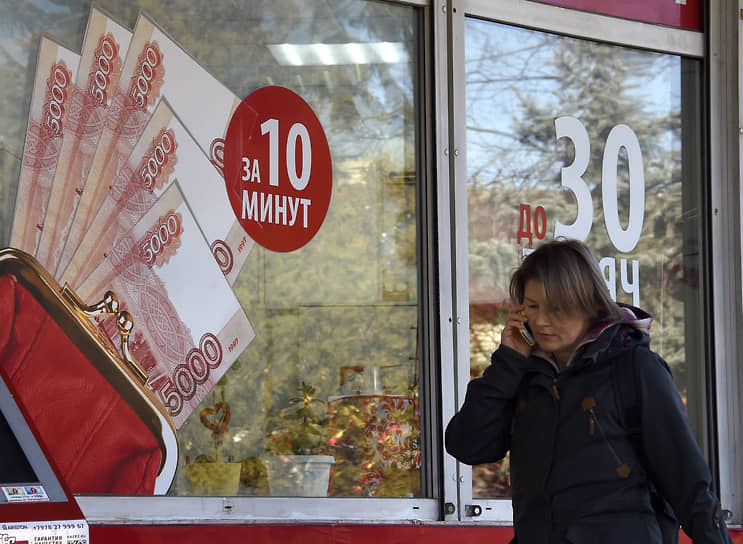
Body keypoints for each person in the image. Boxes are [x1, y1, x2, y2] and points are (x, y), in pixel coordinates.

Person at [445, 238, 733, 544]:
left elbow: (687, 481)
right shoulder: (523, 375)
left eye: (557, 308)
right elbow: (468, 446)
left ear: (593, 305)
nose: (541, 321)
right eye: (532, 306)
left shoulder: (634, 368)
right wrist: (508, 361)